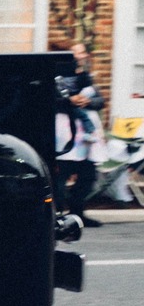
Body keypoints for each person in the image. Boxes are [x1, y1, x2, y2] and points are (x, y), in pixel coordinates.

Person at [55, 40, 107, 227]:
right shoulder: (56, 76)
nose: (82, 56)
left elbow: (100, 100)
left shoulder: (85, 76)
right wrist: (70, 102)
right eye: (77, 52)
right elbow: (48, 101)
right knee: (62, 173)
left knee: (88, 174)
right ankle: (58, 215)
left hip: (86, 135)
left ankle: (78, 212)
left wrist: (87, 102)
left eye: (82, 52)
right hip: (65, 131)